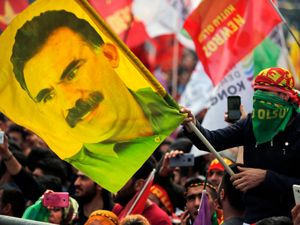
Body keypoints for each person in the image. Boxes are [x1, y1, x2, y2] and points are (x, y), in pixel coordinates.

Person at [10, 9, 184, 189]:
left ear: (109, 55)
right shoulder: (82, 167)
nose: (70, 101)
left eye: (72, 73)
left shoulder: (166, 110)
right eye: (48, 96)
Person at [181, 67, 300, 223]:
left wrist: (266, 177)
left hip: (290, 218)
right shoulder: (250, 124)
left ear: (284, 96)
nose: (260, 100)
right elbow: (211, 141)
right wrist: (193, 125)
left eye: (266, 94)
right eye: (257, 93)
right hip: (253, 218)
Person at [113, 159, 172, 225]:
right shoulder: (117, 209)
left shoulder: (159, 220)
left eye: (122, 179)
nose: (115, 184)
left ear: (139, 185)